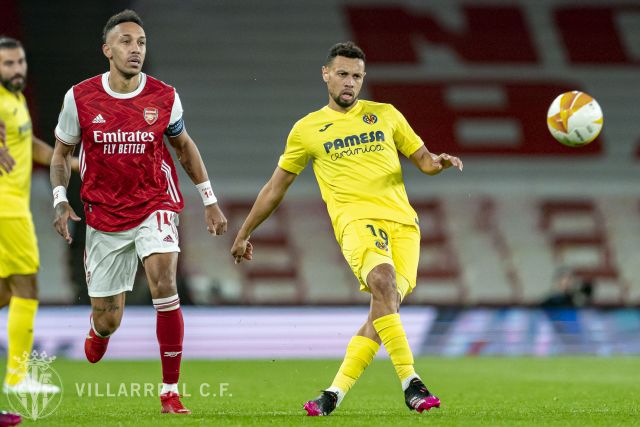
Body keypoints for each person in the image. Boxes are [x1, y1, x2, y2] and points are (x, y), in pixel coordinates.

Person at [231, 41, 463, 416]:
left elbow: (423, 160)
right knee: (383, 282)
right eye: (342, 74)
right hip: (357, 222)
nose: (349, 82)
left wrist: (439, 161)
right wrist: (244, 232)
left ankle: (332, 395)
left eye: (356, 76)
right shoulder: (307, 129)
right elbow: (276, 186)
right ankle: (411, 382)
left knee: (382, 311)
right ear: (326, 74)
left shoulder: (385, 115)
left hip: (405, 225)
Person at [50, 10, 227, 414]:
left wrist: (209, 200)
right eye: (127, 42)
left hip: (154, 203)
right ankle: (99, 330)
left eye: (142, 43)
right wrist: (61, 198)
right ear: (107, 49)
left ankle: (169, 391)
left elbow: (184, 147)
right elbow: (61, 154)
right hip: (104, 215)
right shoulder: (80, 97)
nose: (136, 49)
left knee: (164, 281)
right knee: (109, 318)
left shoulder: (164, 96)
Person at [0, 36, 79, 394]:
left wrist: (67, 161)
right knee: (26, 287)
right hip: (6, 210)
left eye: (20, 63)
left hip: (13, 207)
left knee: (5, 292)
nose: (17, 70)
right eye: (8, 64)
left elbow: (27, 144)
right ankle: (17, 378)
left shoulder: (16, 100)